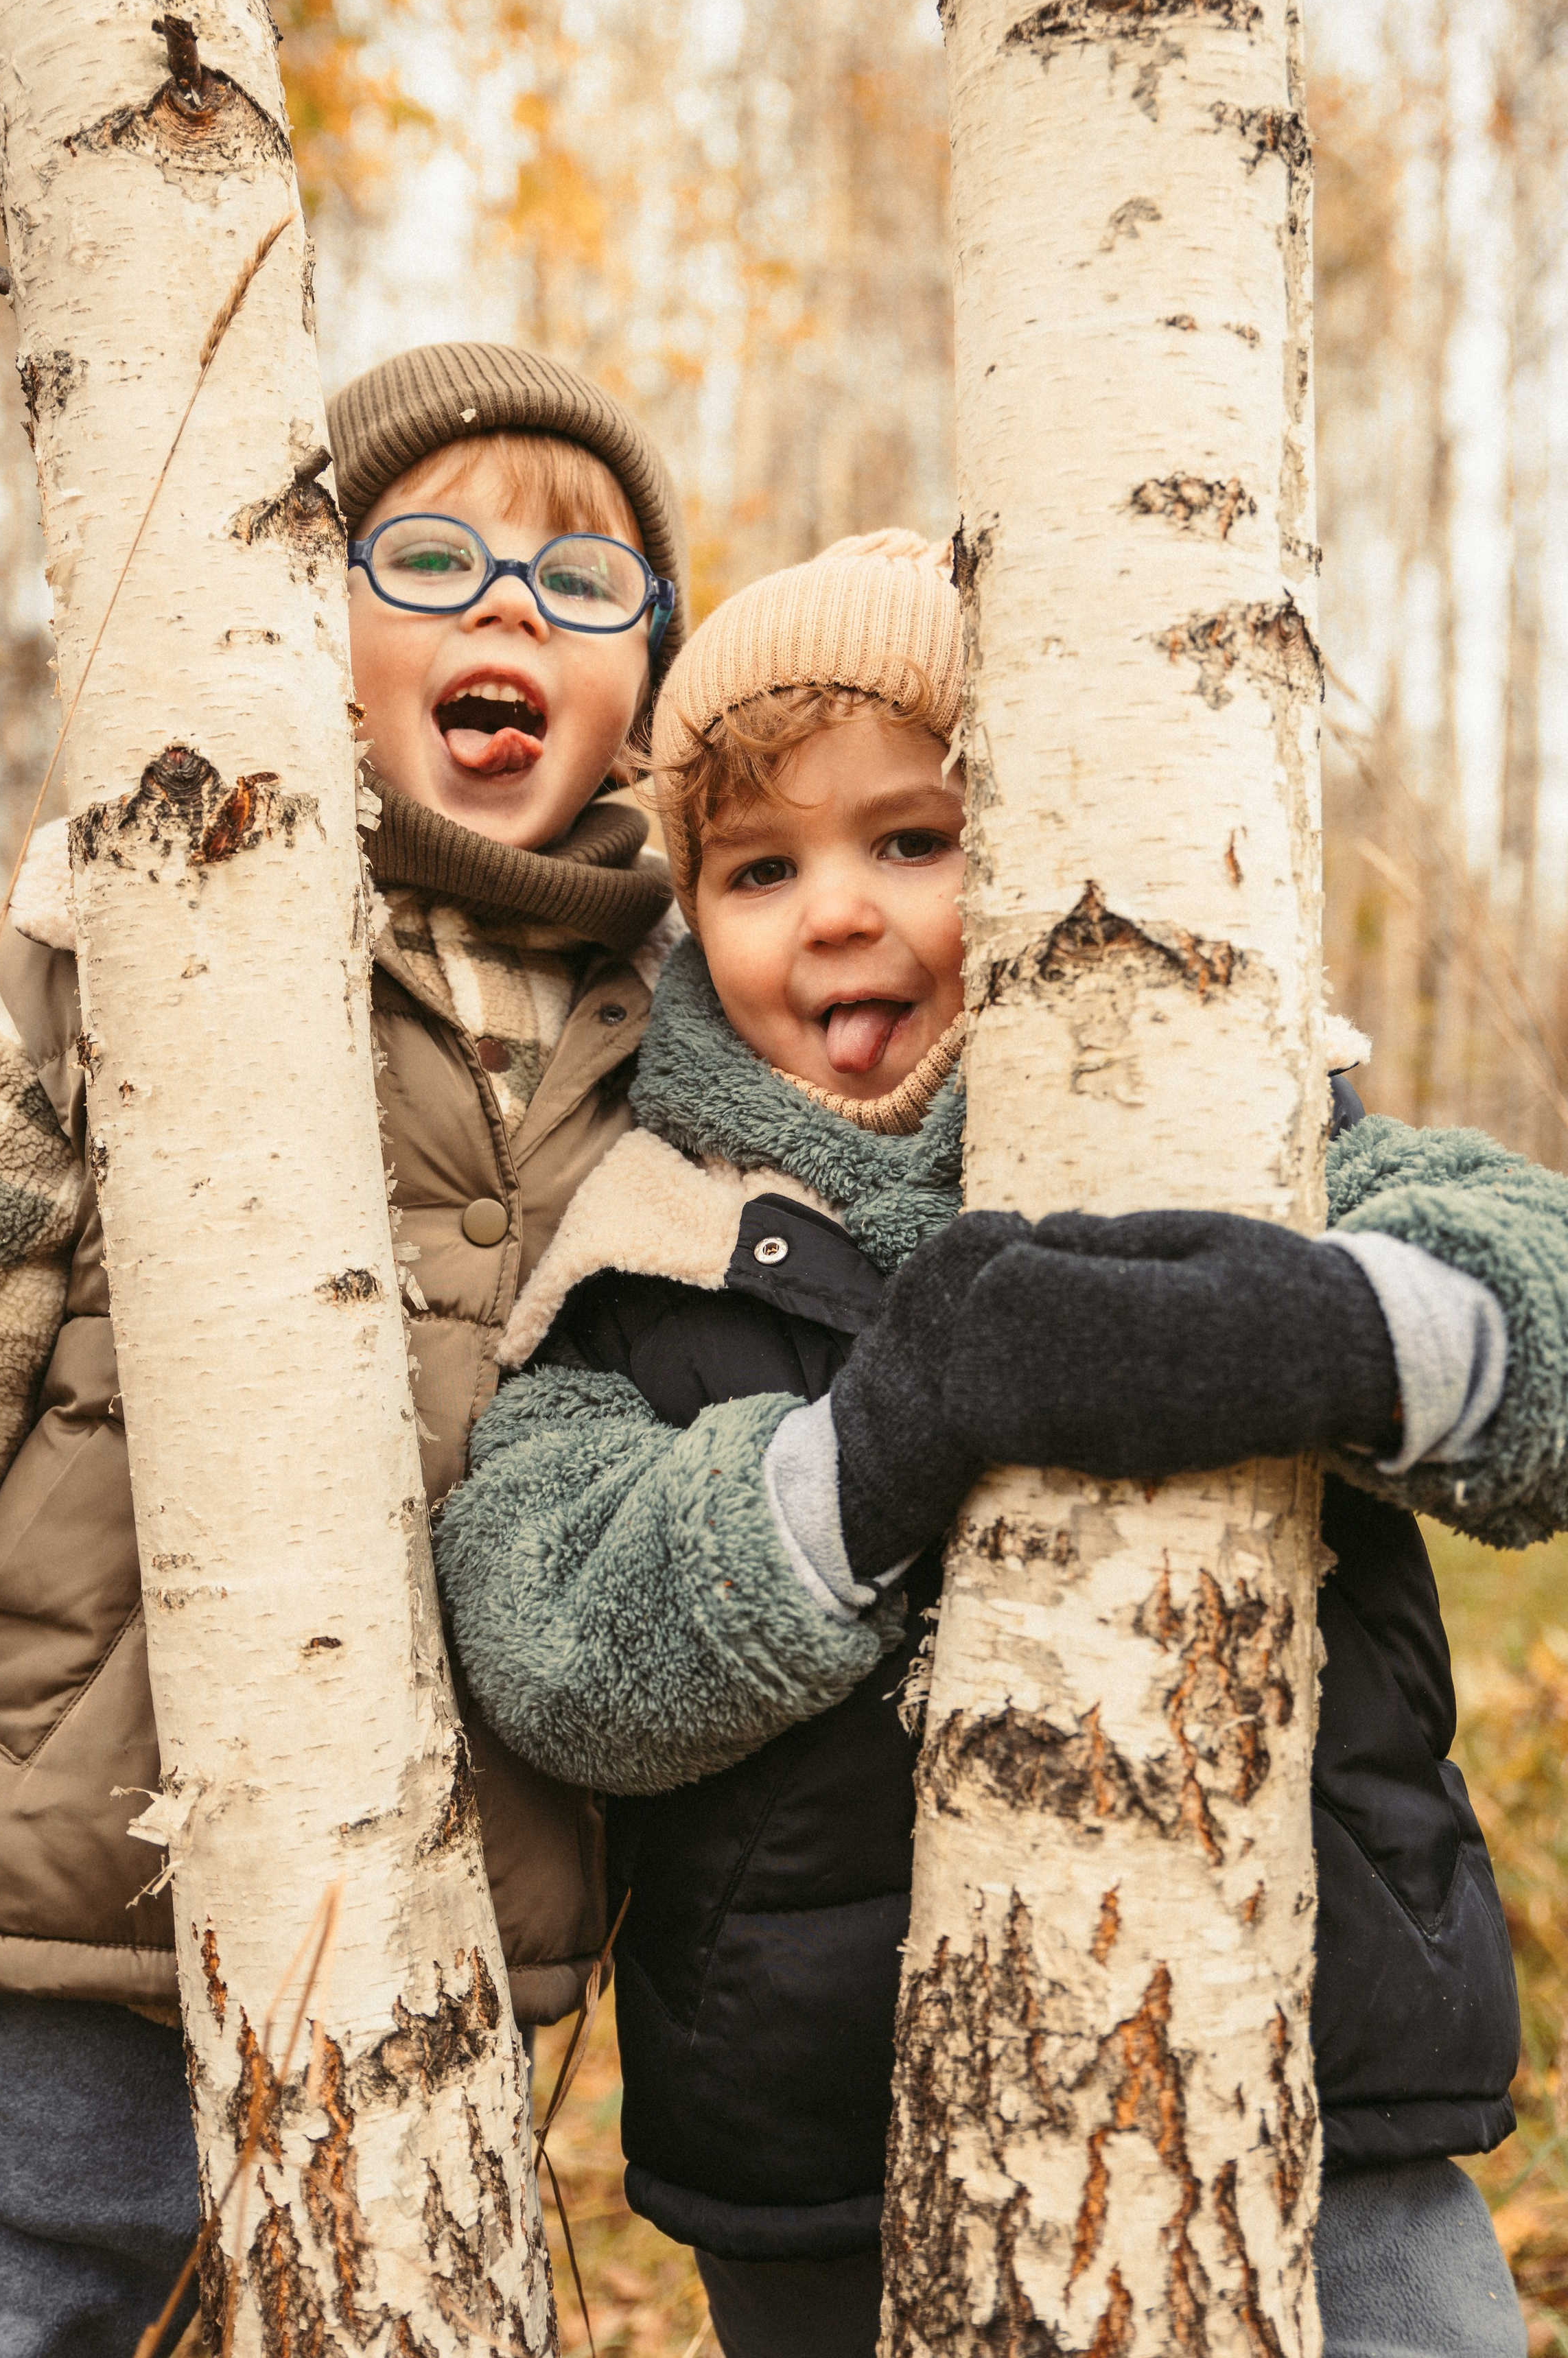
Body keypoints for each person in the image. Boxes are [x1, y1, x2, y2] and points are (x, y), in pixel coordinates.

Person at [435, 529, 1553, 2358]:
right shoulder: (649, 1243)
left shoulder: (1242, 1120)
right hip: (828, 2154)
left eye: (914, 840)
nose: (837, 911)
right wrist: (873, 1444)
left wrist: (1328, 1331)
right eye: (758, 866)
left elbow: (1544, 1311)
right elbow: (547, 1639)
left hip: (1307, 2079)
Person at [0, 342, 687, 2356]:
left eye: (578, 587)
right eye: (433, 557)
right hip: (65, 1873)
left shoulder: (680, 1011)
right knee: (8, 2272)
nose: (503, 611)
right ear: (300, 610)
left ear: (644, 680)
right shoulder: (140, 918)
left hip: (435, 1904)